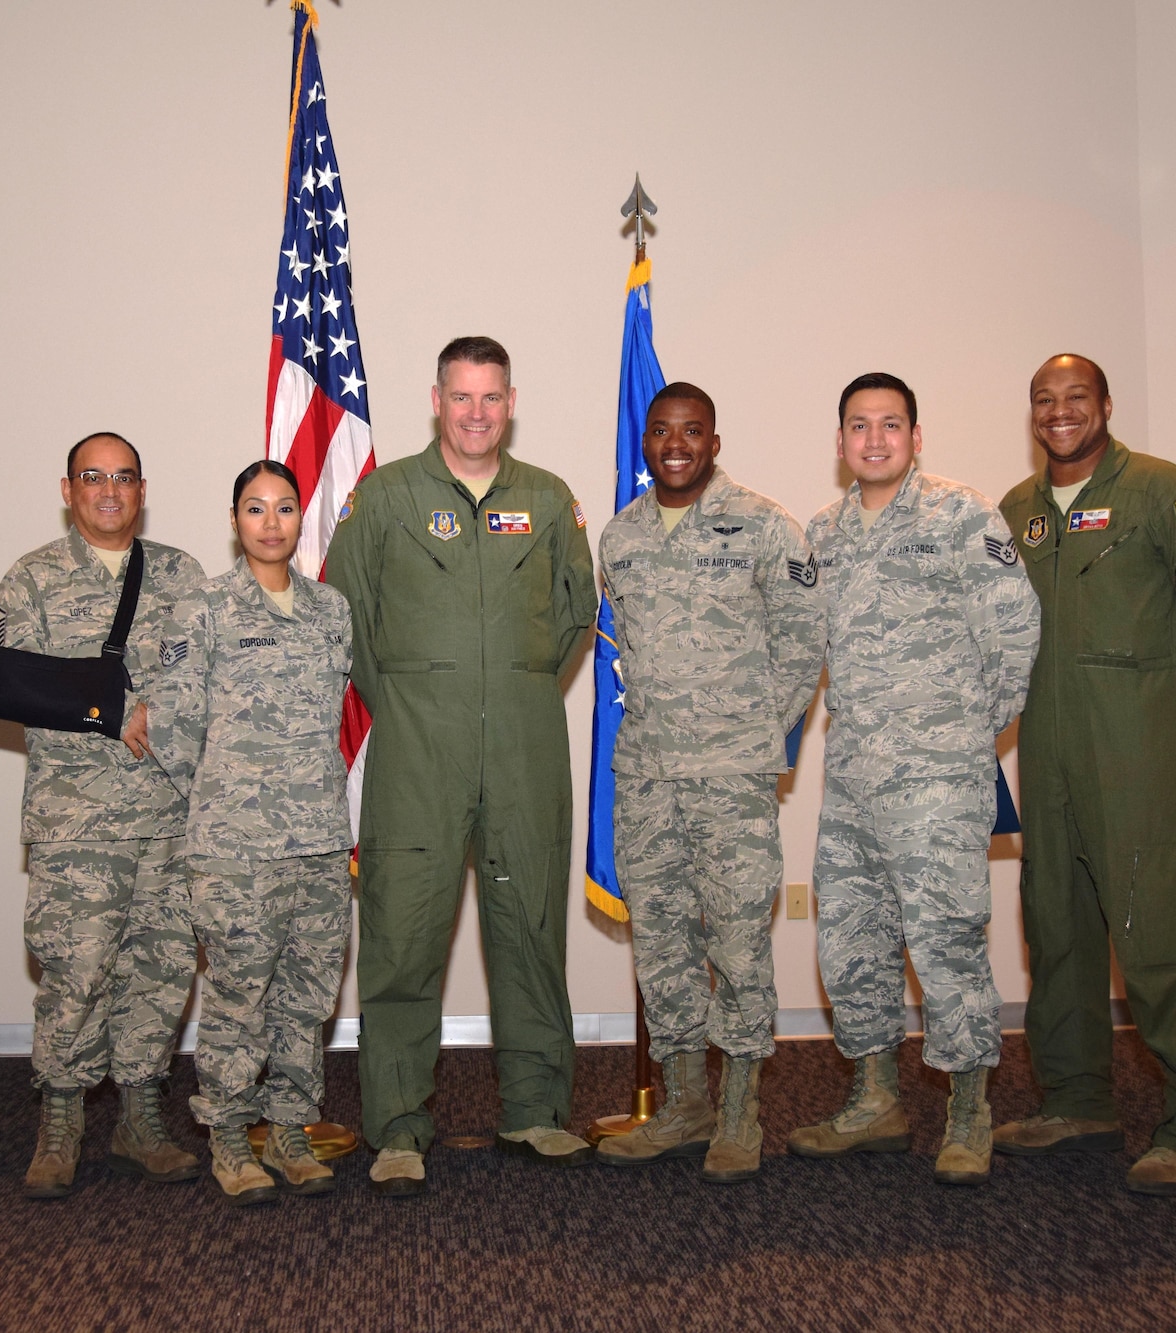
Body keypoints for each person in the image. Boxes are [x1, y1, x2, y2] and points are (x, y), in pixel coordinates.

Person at [325, 336, 599, 1196]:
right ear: (435, 399)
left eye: (490, 398)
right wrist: (416, 693)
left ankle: (535, 1111)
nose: (476, 413)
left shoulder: (548, 499)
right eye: (461, 396)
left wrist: (511, 688)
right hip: (417, 750)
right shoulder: (386, 496)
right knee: (402, 938)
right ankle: (399, 1124)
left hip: (524, 746)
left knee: (531, 934)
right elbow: (349, 613)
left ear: (509, 401)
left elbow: (571, 616)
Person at [995, 354, 1176, 1196]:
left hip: (1137, 755)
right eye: (1044, 400)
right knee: (1056, 923)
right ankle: (1077, 1099)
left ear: (1104, 404)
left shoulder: (1165, 491)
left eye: (1075, 398)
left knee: (1158, 931)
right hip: (1050, 749)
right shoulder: (1018, 511)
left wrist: (1147, 696)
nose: (1059, 413)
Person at [786, 372, 1040, 1187]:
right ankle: (875, 1100)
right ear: (840, 443)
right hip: (853, 777)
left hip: (937, 779)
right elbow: (799, 644)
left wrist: (963, 734)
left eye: (890, 424)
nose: (874, 439)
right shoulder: (822, 533)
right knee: (851, 941)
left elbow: (1015, 631)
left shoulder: (961, 515)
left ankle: (970, 1111)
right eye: (858, 425)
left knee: (948, 942)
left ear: (916, 435)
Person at [590, 383, 824, 1184]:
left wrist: (753, 731)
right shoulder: (619, 538)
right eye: (661, 431)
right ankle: (685, 1104)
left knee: (738, 941)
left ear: (715, 441)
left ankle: (739, 1112)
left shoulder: (763, 525)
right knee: (662, 943)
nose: (676, 443)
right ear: (645, 442)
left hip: (731, 778)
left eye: (692, 431)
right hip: (648, 776)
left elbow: (802, 641)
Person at [0, 432, 207, 1199]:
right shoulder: (34, 578)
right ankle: (61, 1121)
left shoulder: (182, 575)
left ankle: (140, 1117)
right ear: (68, 488)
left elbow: (208, 679)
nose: (109, 490)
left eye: (123, 478)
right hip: (76, 821)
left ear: (141, 490)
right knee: (75, 971)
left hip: (168, 814)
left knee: (160, 966)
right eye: (93, 477)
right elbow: (5, 685)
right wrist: (110, 709)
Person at [149, 459, 354, 1205]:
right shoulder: (202, 609)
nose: (271, 522)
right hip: (235, 847)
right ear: (234, 519)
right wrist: (224, 799)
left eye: (285, 507)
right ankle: (230, 1135)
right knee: (239, 996)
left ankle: (292, 1129)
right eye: (255, 508)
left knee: (306, 996)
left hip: (320, 841)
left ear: (302, 518)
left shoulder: (332, 610)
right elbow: (172, 729)